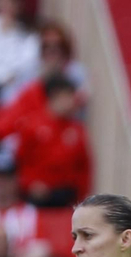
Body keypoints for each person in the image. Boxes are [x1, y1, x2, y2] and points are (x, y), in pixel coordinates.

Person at [9, 75, 90, 208]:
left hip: (66, 196)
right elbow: (20, 160)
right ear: (55, 96)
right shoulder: (31, 125)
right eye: (68, 96)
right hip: (36, 196)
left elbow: (84, 166)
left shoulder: (77, 130)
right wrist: (29, 184)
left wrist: (83, 198)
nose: (72, 102)